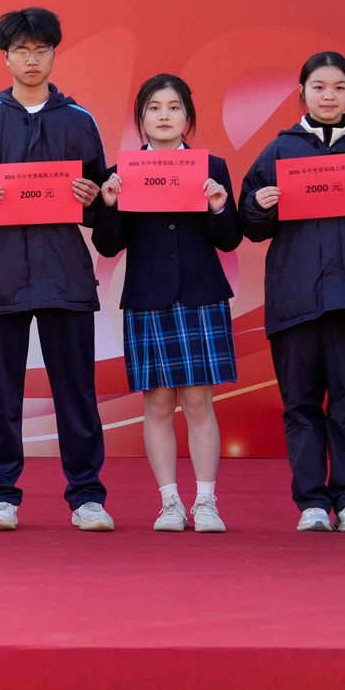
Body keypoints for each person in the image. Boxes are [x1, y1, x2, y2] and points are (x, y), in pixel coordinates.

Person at [0, 7, 112, 533]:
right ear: (6, 57)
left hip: (65, 274)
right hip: (2, 275)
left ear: (54, 53)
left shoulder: (79, 120)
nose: (31, 59)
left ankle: (86, 496)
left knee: (76, 391)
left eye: (41, 50)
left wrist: (94, 197)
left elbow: (104, 198)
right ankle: (1, 497)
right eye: (21, 50)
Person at [239, 52, 345, 533]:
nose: (328, 96)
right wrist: (259, 204)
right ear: (302, 92)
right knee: (301, 404)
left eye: (338, 87)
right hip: (296, 299)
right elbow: (250, 225)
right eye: (318, 86)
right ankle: (311, 502)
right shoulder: (278, 150)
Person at [93, 74, 241, 533]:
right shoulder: (122, 171)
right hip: (148, 298)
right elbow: (107, 246)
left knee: (198, 402)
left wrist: (218, 206)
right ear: (141, 117)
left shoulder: (212, 166)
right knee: (157, 404)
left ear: (187, 116)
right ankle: (170, 503)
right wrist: (109, 204)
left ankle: (206, 502)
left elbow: (230, 238)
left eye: (173, 107)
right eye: (154, 108)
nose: (163, 116)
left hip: (200, 295)